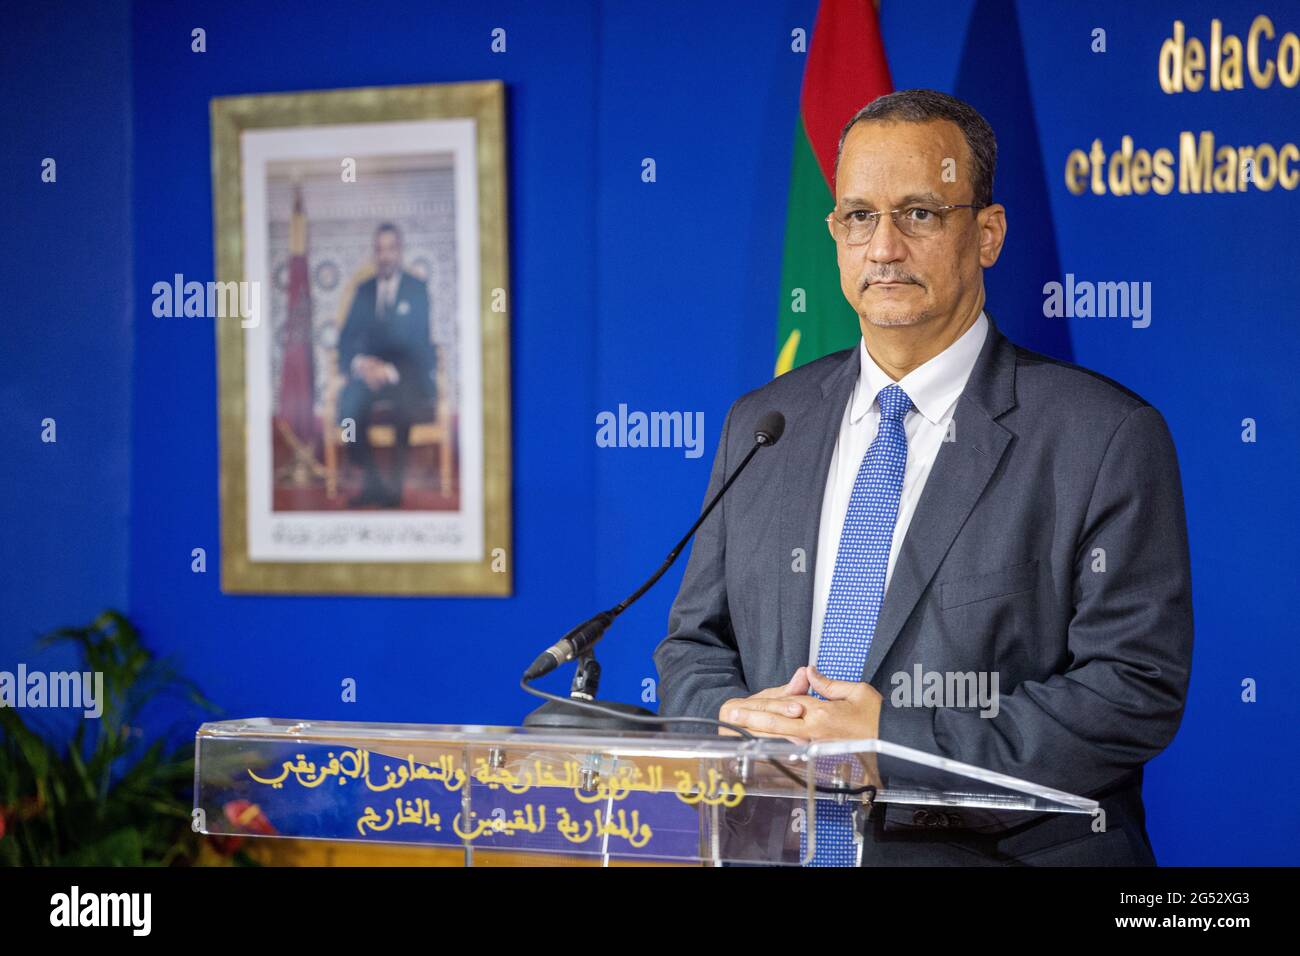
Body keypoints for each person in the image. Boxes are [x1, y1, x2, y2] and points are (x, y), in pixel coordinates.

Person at [653, 89, 1193, 866]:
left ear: (989, 233)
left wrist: (887, 746)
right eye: (859, 217)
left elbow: (1131, 690)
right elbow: (693, 645)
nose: (884, 248)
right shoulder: (765, 423)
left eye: (921, 214)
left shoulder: (1101, 436)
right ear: (835, 234)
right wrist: (734, 717)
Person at [336, 222, 436, 507]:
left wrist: (389, 371)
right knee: (348, 406)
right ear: (375, 254)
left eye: (391, 249)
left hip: (405, 376)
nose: (385, 256)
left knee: (404, 404)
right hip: (369, 377)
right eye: (380, 249)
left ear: (400, 252)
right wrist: (361, 364)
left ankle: (394, 489)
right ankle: (372, 484)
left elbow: (420, 344)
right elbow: (346, 339)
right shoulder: (364, 291)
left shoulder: (417, 289)